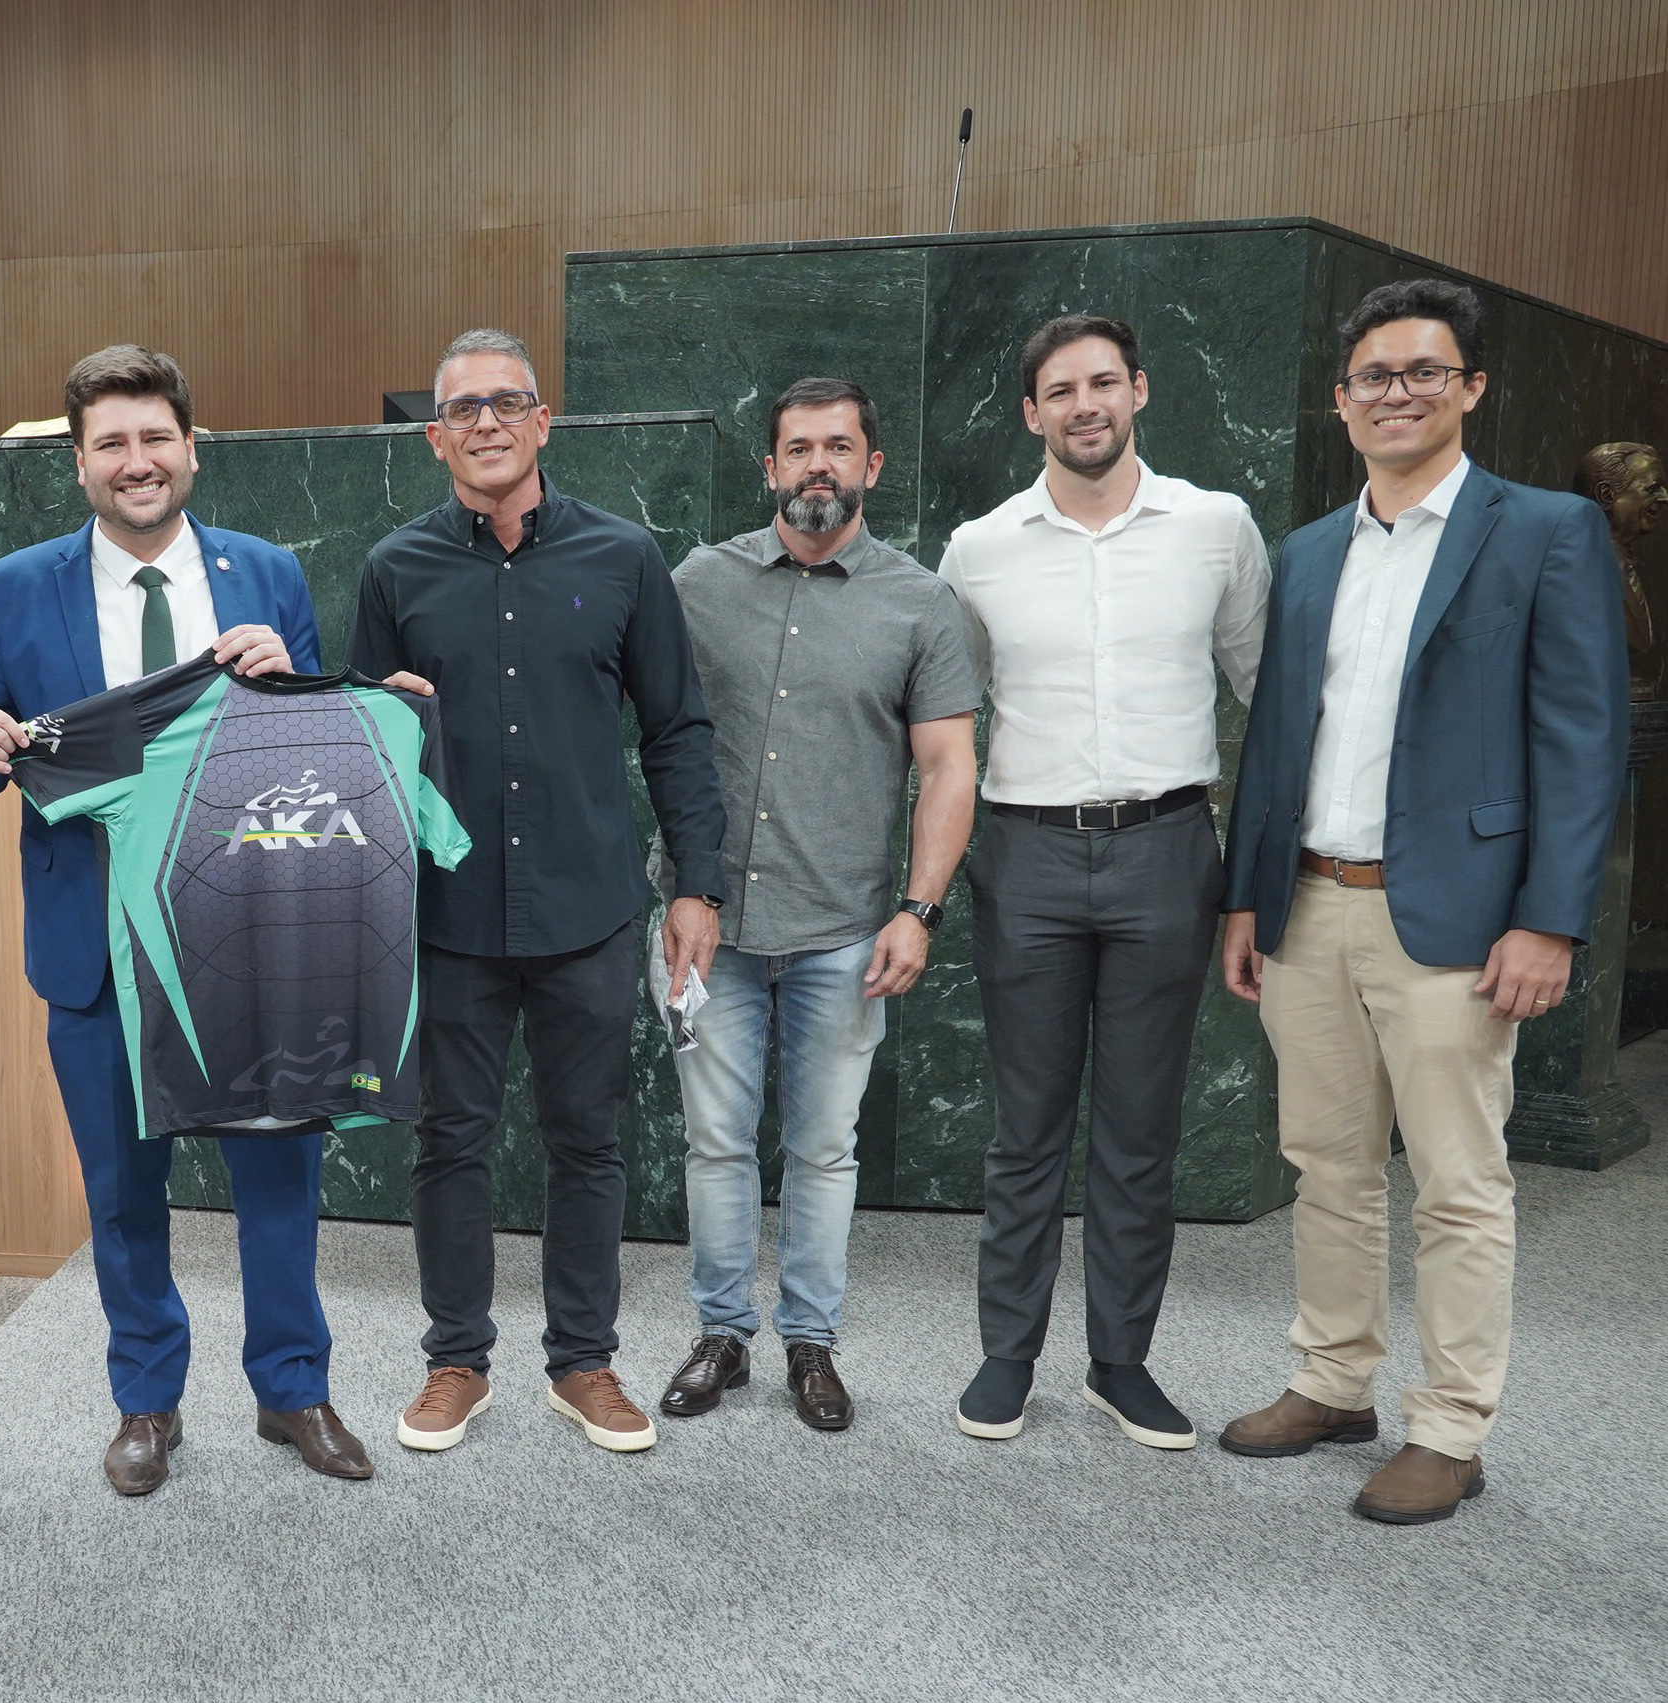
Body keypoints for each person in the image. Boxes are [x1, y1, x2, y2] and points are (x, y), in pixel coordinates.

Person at [1219, 278, 1629, 1525]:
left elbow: (1581, 739)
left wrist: (1549, 918)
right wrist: (1245, 899)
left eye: (1421, 371)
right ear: (1340, 403)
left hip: (1456, 919)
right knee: (1324, 1164)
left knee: (1456, 1180)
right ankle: (1331, 1379)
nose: (1395, 393)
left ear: (1469, 388)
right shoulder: (1305, 551)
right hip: (1307, 902)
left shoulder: (1545, 531)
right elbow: (1273, 740)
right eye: (1372, 376)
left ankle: (1449, 1428)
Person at [0, 343, 370, 1496]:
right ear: (78, 462)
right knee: (122, 1191)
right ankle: (145, 1399)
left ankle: (293, 1388)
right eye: (110, 443)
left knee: (277, 1181)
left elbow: (323, 749)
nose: (135, 461)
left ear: (191, 447)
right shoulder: (16, 586)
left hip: (251, 937)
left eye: (153, 437)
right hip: (94, 943)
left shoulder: (265, 572)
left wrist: (289, 674)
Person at [354, 327, 727, 1456]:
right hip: (447, 912)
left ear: (541, 420)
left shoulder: (623, 557)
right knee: (449, 1143)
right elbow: (359, 747)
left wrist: (696, 887)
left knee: (587, 1144)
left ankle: (583, 1363)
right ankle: (455, 1362)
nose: (485, 423)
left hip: (587, 910)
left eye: (505, 402)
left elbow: (677, 731)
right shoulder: (394, 569)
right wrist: (385, 710)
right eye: (461, 409)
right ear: (434, 437)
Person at [935, 314, 1269, 1452]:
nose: (1084, 405)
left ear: (1138, 390)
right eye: (1059, 390)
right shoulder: (978, 548)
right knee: (1024, 1126)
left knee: (1138, 1127)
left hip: (1167, 851)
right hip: (1024, 855)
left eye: (1102, 383)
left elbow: (1268, 695)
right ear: (1030, 412)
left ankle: (1119, 1362)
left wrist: (1254, 882)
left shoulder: (1215, 527)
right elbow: (948, 711)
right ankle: (1005, 1355)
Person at [652, 378, 979, 1433]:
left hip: (844, 930)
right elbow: (638, 721)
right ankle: (720, 1334)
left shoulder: (918, 602)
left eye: (838, 446)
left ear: (871, 466)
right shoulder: (697, 583)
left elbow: (948, 767)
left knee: (823, 1150)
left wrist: (918, 909)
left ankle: (810, 1342)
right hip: (706, 925)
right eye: (797, 448)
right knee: (714, 1143)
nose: (817, 465)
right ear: (769, 468)